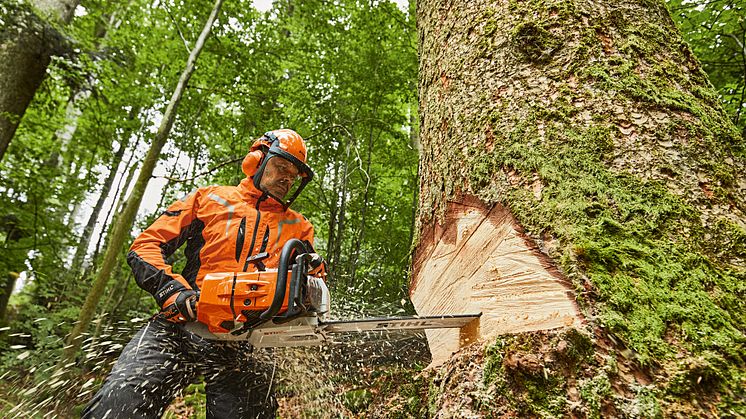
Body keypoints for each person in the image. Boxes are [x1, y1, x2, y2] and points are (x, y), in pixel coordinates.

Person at [82, 129, 326, 419]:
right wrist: (173, 292)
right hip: (181, 324)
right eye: (281, 167)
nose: (287, 178)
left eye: (294, 174)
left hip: (247, 342)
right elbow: (145, 246)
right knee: (119, 405)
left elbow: (315, 283)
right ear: (255, 161)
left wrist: (308, 292)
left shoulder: (299, 227)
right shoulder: (210, 199)